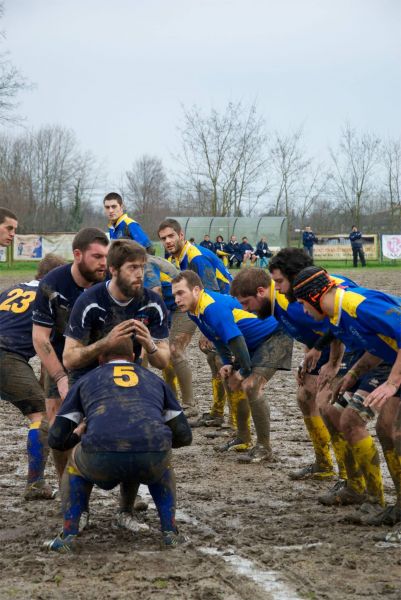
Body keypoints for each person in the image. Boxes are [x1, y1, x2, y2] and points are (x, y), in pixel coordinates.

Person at [45, 339, 192, 553]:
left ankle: (68, 534)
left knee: (74, 462)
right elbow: (185, 435)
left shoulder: (87, 380)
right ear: (133, 357)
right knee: (161, 462)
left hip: (100, 456)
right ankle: (170, 532)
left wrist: (79, 435)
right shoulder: (155, 380)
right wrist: (158, 444)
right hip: (150, 456)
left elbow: (56, 438)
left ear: (100, 359)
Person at [293, 266, 401, 524]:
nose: (304, 312)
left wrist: (392, 383)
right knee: (385, 429)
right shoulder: (336, 317)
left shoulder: (358, 305)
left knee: (397, 432)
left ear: (314, 297)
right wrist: (353, 374)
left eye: (302, 304)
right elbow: (382, 344)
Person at [172, 270, 293, 463]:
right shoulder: (194, 311)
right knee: (230, 377)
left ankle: (264, 447)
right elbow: (217, 337)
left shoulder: (211, 307)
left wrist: (243, 371)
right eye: (174, 295)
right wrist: (228, 363)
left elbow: (235, 338)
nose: (177, 299)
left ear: (196, 290)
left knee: (251, 385)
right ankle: (243, 438)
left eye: (180, 293)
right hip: (250, 342)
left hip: (275, 335)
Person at [32, 228, 109, 481]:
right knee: (59, 427)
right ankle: (67, 484)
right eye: (97, 256)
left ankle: (125, 492)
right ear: (77, 254)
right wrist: (60, 377)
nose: (103, 262)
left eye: (106, 256)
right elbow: (40, 338)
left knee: (116, 420)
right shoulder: (52, 285)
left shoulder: (110, 281)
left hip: (101, 357)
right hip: (60, 359)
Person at [0, 254, 66, 500]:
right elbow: (47, 345)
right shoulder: (51, 297)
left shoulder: (14, 289)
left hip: (7, 353)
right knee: (42, 416)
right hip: (6, 355)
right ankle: (36, 483)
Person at [158, 218, 232, 420]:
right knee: (210, 358)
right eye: (163, 238)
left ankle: (196, 408)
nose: (168, 241)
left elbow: (211, 294)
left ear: (181, 235)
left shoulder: (196, 257)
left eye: (171, 236)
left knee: (214, 357)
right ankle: (214, 413)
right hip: (200, 307)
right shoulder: (176, 257)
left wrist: (208, 330)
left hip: (224, 307)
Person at [63, 239, 170, 377]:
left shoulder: (152, 303)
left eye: (142, 267)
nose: (139, 274)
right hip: (87, 377)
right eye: (132, 267)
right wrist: (105, 343)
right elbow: (69, 360)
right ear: (113, 269)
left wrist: (150, 345)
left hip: (128, 374)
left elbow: (163, 362)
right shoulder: (89, 302)